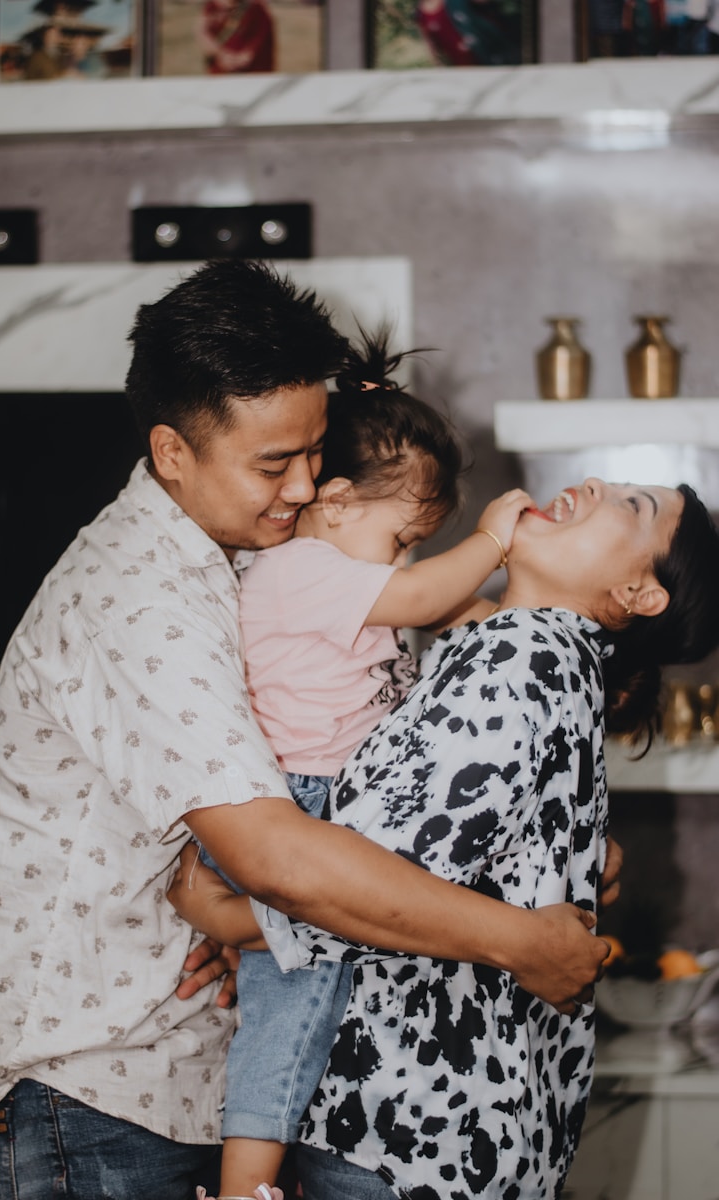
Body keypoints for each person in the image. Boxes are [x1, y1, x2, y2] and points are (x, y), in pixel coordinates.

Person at [0, 258, 609, 1200]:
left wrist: (243, 924)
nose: (306, 487)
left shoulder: (248, 559)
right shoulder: (140, 597)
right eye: (272, 464)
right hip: (89, 1092)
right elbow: (280, 858)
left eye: (314, 452)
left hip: (166, 1071)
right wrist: (518, 940)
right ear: (173, 452)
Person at [175, 476, 719, 1199]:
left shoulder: (519, 659)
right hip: (463, 1132)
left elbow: (376, 874)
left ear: (638, 594)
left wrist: (233, 919)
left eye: (631, 505)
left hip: (408, 1123)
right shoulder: (541, 656)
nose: (594, 486)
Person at [199, 329, 533, 1196]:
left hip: (334, 800)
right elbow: (424, 597)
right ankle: (244, 1187)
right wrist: (493, 540)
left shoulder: (347, 570)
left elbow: (436, 607)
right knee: (294, 1006)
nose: (408, 560)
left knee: (320, 994)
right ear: (338, 502)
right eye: (403, 537)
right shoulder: (301, 567)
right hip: (300, 805)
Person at [198, 0, 275, 74]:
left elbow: (261, 38)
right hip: (221, 71)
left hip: (251, 72)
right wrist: (221, 55)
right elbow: (203, 32)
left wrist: (243, 57)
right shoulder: (212, 7)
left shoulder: (256, 8)